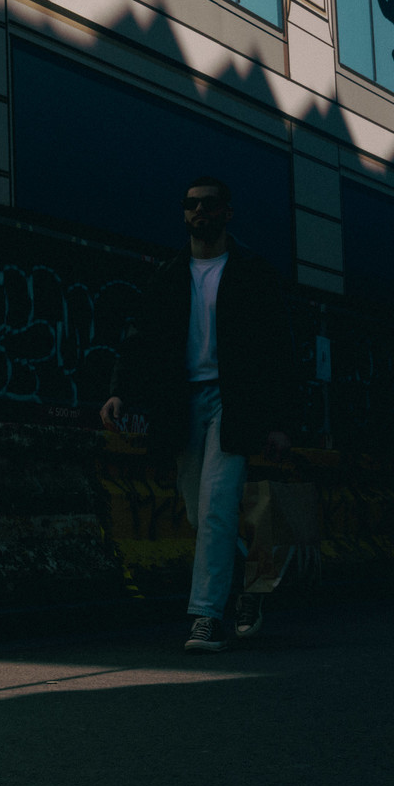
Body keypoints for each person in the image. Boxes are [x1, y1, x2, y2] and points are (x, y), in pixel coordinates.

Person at [99, 176, 295, 651]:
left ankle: (205, 617)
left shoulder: (252, 273)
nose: (198, 213)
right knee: (198, 509)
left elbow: (278, 352)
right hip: (182, 405)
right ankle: (252, 582)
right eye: (191, 206)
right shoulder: (170, 275)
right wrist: (120, 392)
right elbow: (142, 339)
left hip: (233, 404)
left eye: (208, 205)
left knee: (215, 508)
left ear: (227, 213)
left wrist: (281, 421)